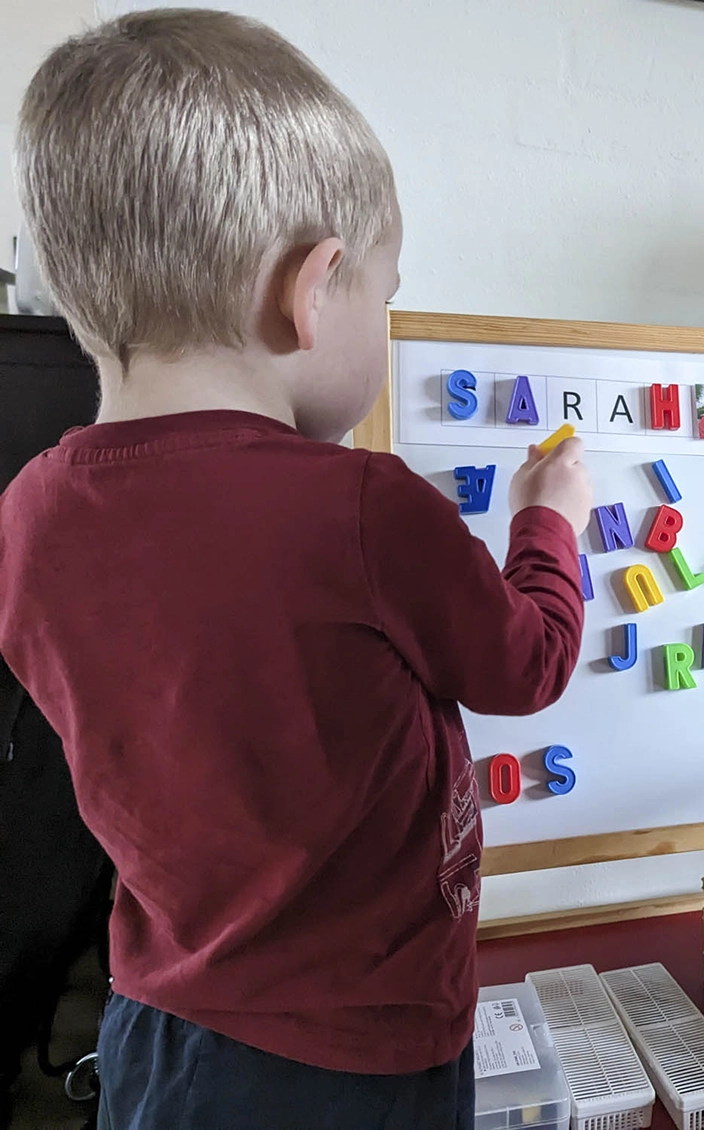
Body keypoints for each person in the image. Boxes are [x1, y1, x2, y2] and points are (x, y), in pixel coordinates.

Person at [0, 11, 592, 1129]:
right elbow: (527, 663)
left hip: (159, 1029)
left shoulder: (28, 514)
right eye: (385, 290)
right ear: (311, 291)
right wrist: (546, 523)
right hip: (357, 1053)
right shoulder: (365, 509)